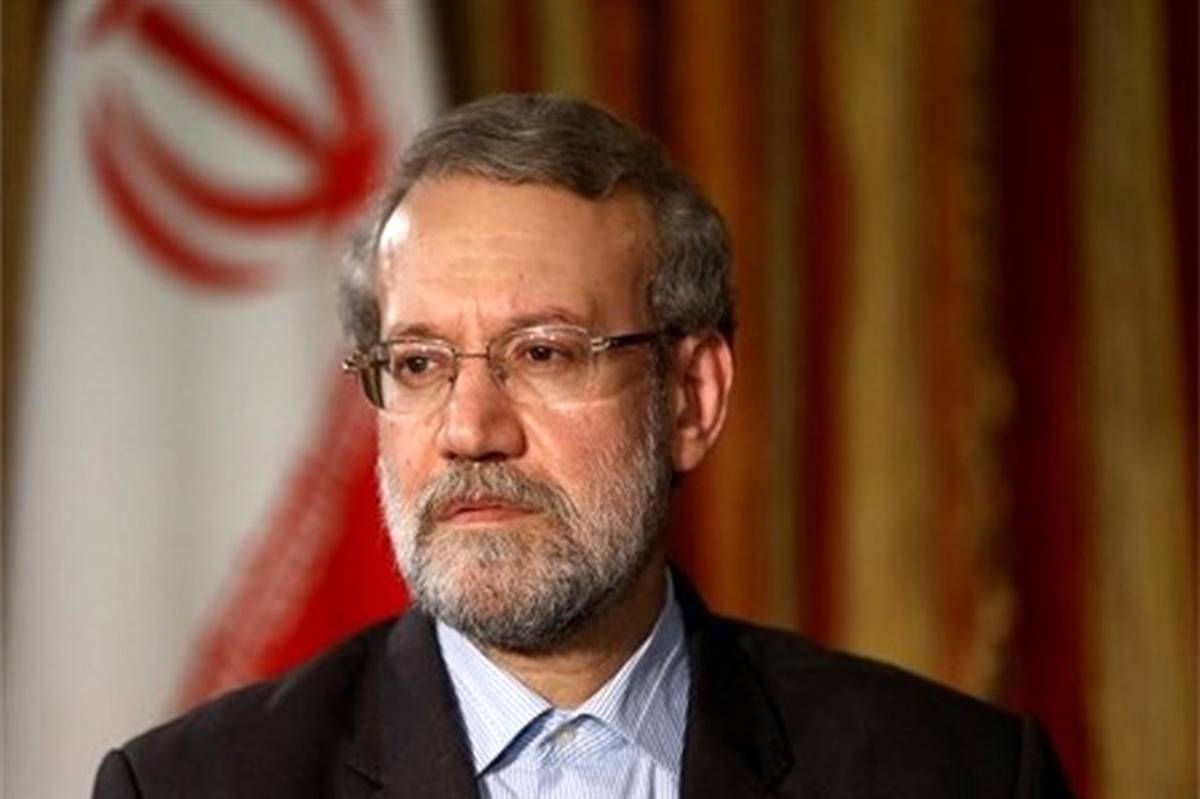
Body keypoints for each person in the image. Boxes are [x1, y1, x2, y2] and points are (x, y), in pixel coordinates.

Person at [93, 94, 1073, 799]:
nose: (470, 430)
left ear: (690, 397)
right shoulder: (188, 786)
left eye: (545, 351)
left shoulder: (958, 775)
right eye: (421, 363)